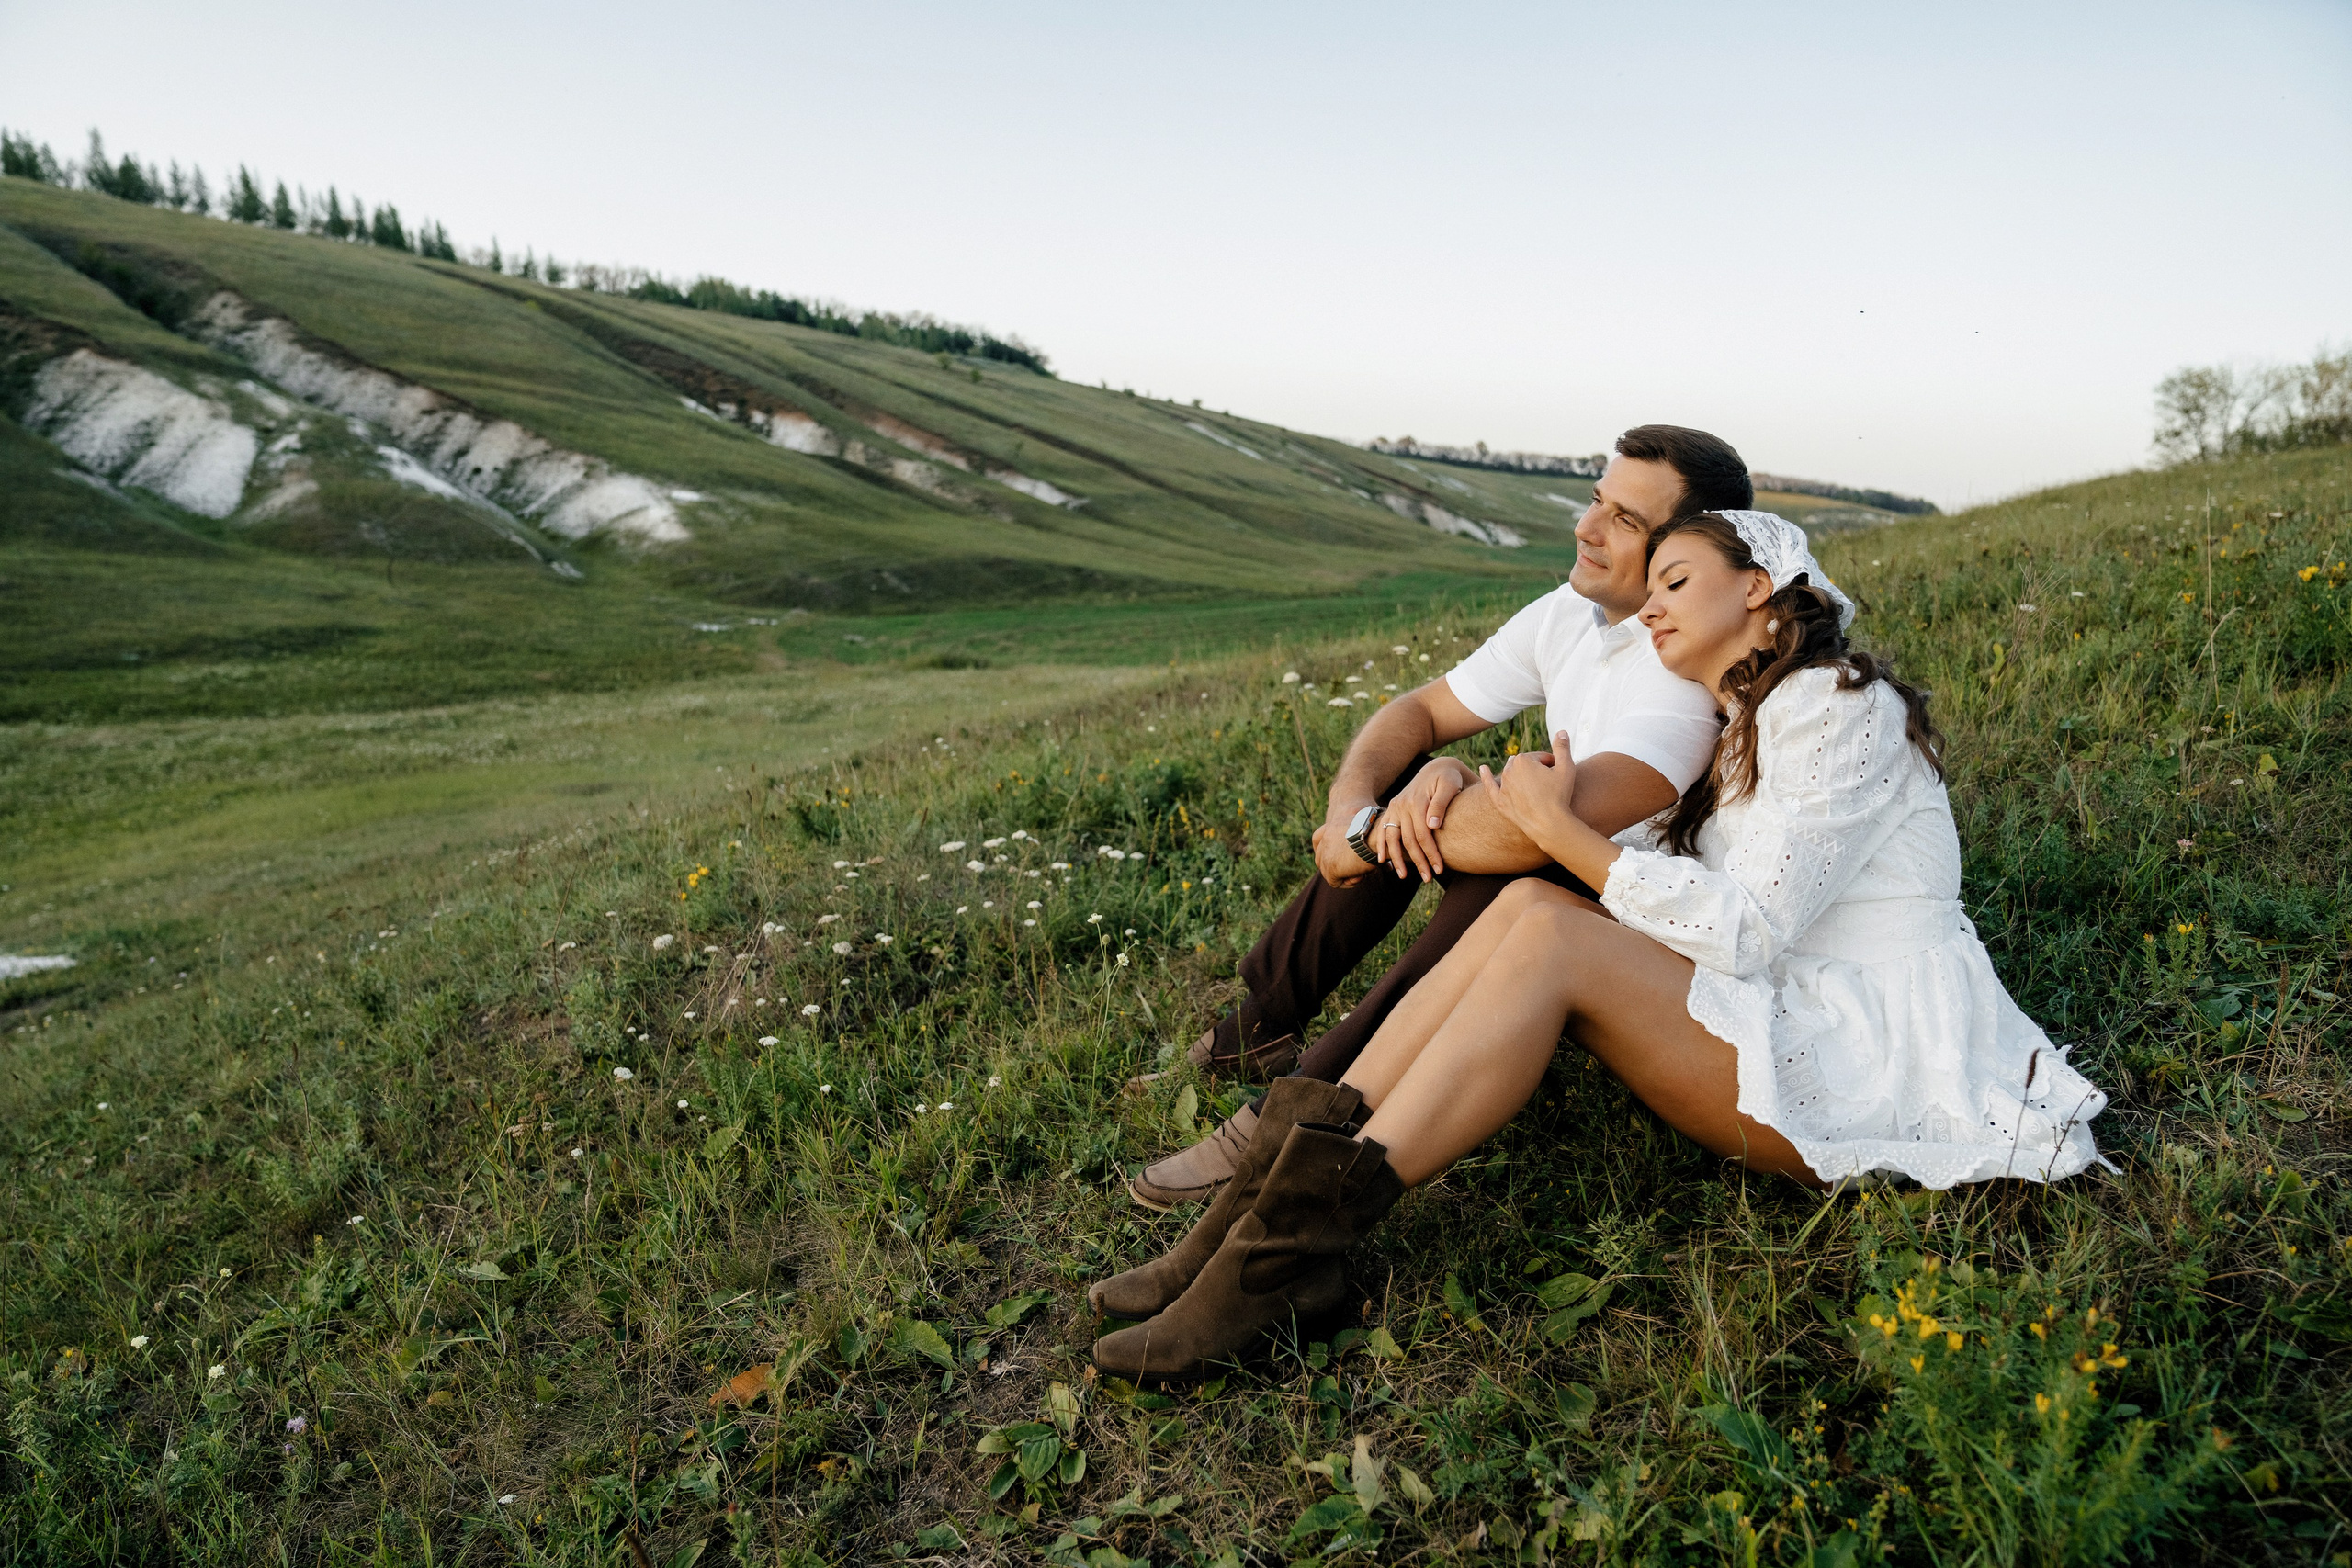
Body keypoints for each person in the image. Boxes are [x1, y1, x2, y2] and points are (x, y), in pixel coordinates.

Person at [1091, 509, 2109, 1382]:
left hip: (1868, 1055)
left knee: (1550, 935)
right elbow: (1657, 883)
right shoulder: (1748, 716)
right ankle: (1248, 1225)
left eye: (1675, 580)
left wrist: (1561, 832)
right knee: (1532, 917)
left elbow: (1746, 932)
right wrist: (1453, 782)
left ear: (1761, 590)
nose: (1650, 603)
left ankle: (1275, 1257)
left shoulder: (1836, 708)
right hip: (1790, 1006)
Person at [1126, 425, 1745, 1211]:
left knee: (1517, 870)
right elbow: (1417, 709)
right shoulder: (1573, 613)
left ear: (1681, 551)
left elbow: (1539, 829)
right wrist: (1356, 808)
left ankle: (1303, 1111)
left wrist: (1375, 834)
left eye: (1625, 521)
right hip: (1558, 875)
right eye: (1596, 500)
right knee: (1415, 788)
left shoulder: (1679, 675)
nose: (1586, 529)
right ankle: (1255, 1028)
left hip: (1638, 928)